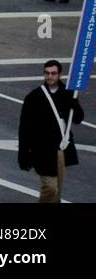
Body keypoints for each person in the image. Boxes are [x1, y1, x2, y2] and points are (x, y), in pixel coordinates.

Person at [18, 60, 85, 203]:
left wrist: (75, 106)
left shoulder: (69, 93)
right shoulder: (34, 96)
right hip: (42, 150)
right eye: (47, 73)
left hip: (61, 147)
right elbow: (24, 127)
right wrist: (23, 154)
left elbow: (78, 119)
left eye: (53, 73)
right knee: (50, 187)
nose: (50, 76)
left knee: (58, 191)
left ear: (59, 75)